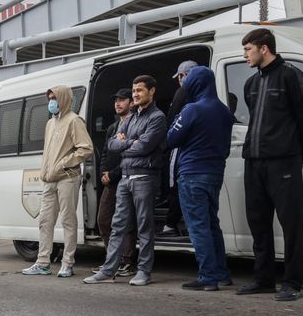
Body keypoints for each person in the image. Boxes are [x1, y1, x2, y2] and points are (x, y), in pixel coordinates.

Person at [237, 28, 303, 302]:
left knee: (291, 223)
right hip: (254, 163)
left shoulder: (291, 77)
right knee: (258, 222)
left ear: (264, 48)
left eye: (248, 49)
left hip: (284, 162)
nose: (245, 54)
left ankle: (293, 282)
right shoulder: (251, 84)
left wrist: (299, 153)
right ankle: (263, 279)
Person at [83, 75, 167, 286]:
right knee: (117, 225)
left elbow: (145, 146)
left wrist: (126, 144)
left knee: (144, 227)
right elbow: (112, 144)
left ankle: (144, 272)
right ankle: (108, 271)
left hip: (144, 178)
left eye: (140, 90)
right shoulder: (130, 119)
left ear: (152, 91)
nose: (136, 94)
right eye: (134, 90)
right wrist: (131, 143)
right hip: (126, 179)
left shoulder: (157, 117)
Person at [166, 66, 234, 291]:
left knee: (198, 227)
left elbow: (171, 138)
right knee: (213, 224)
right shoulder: (224, 110)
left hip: (192, 173)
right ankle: (222, 273)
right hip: (215, 173)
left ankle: (207, 276)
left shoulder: (191, 110)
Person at [21, 85, 94, 277]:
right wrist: (46, 170)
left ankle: (68, 263)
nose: (51, 102)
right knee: (45, 221)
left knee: (68, 221)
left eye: (54, 98)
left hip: (67, 178)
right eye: (49, 98)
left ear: (63, 98)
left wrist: (63, 164)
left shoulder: (74, 120)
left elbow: (86, 148)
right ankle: (43, 262)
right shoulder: (50, 123)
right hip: (49, 180)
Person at [94, 88, 137, 277]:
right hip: (110, 180)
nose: (118, 103)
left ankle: (127, 262)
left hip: (126, 178)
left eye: (122, 100)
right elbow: (105, 151)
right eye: (116, 100)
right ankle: (113, 259)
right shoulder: (113, 127)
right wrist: (104, 173)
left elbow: (132, 153)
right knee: (103, 220)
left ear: (131, 103)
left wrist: (113, 174)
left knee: (126, 221)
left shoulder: (136, 124)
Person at [159, 60, 198, 237]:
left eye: (180, 76)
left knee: (176, 185)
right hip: (193, 149)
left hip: (179, 148)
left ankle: (170, 224)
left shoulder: (183, 92)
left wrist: (166, 145)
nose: (179, 81)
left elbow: (172, 118)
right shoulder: (201, 94)